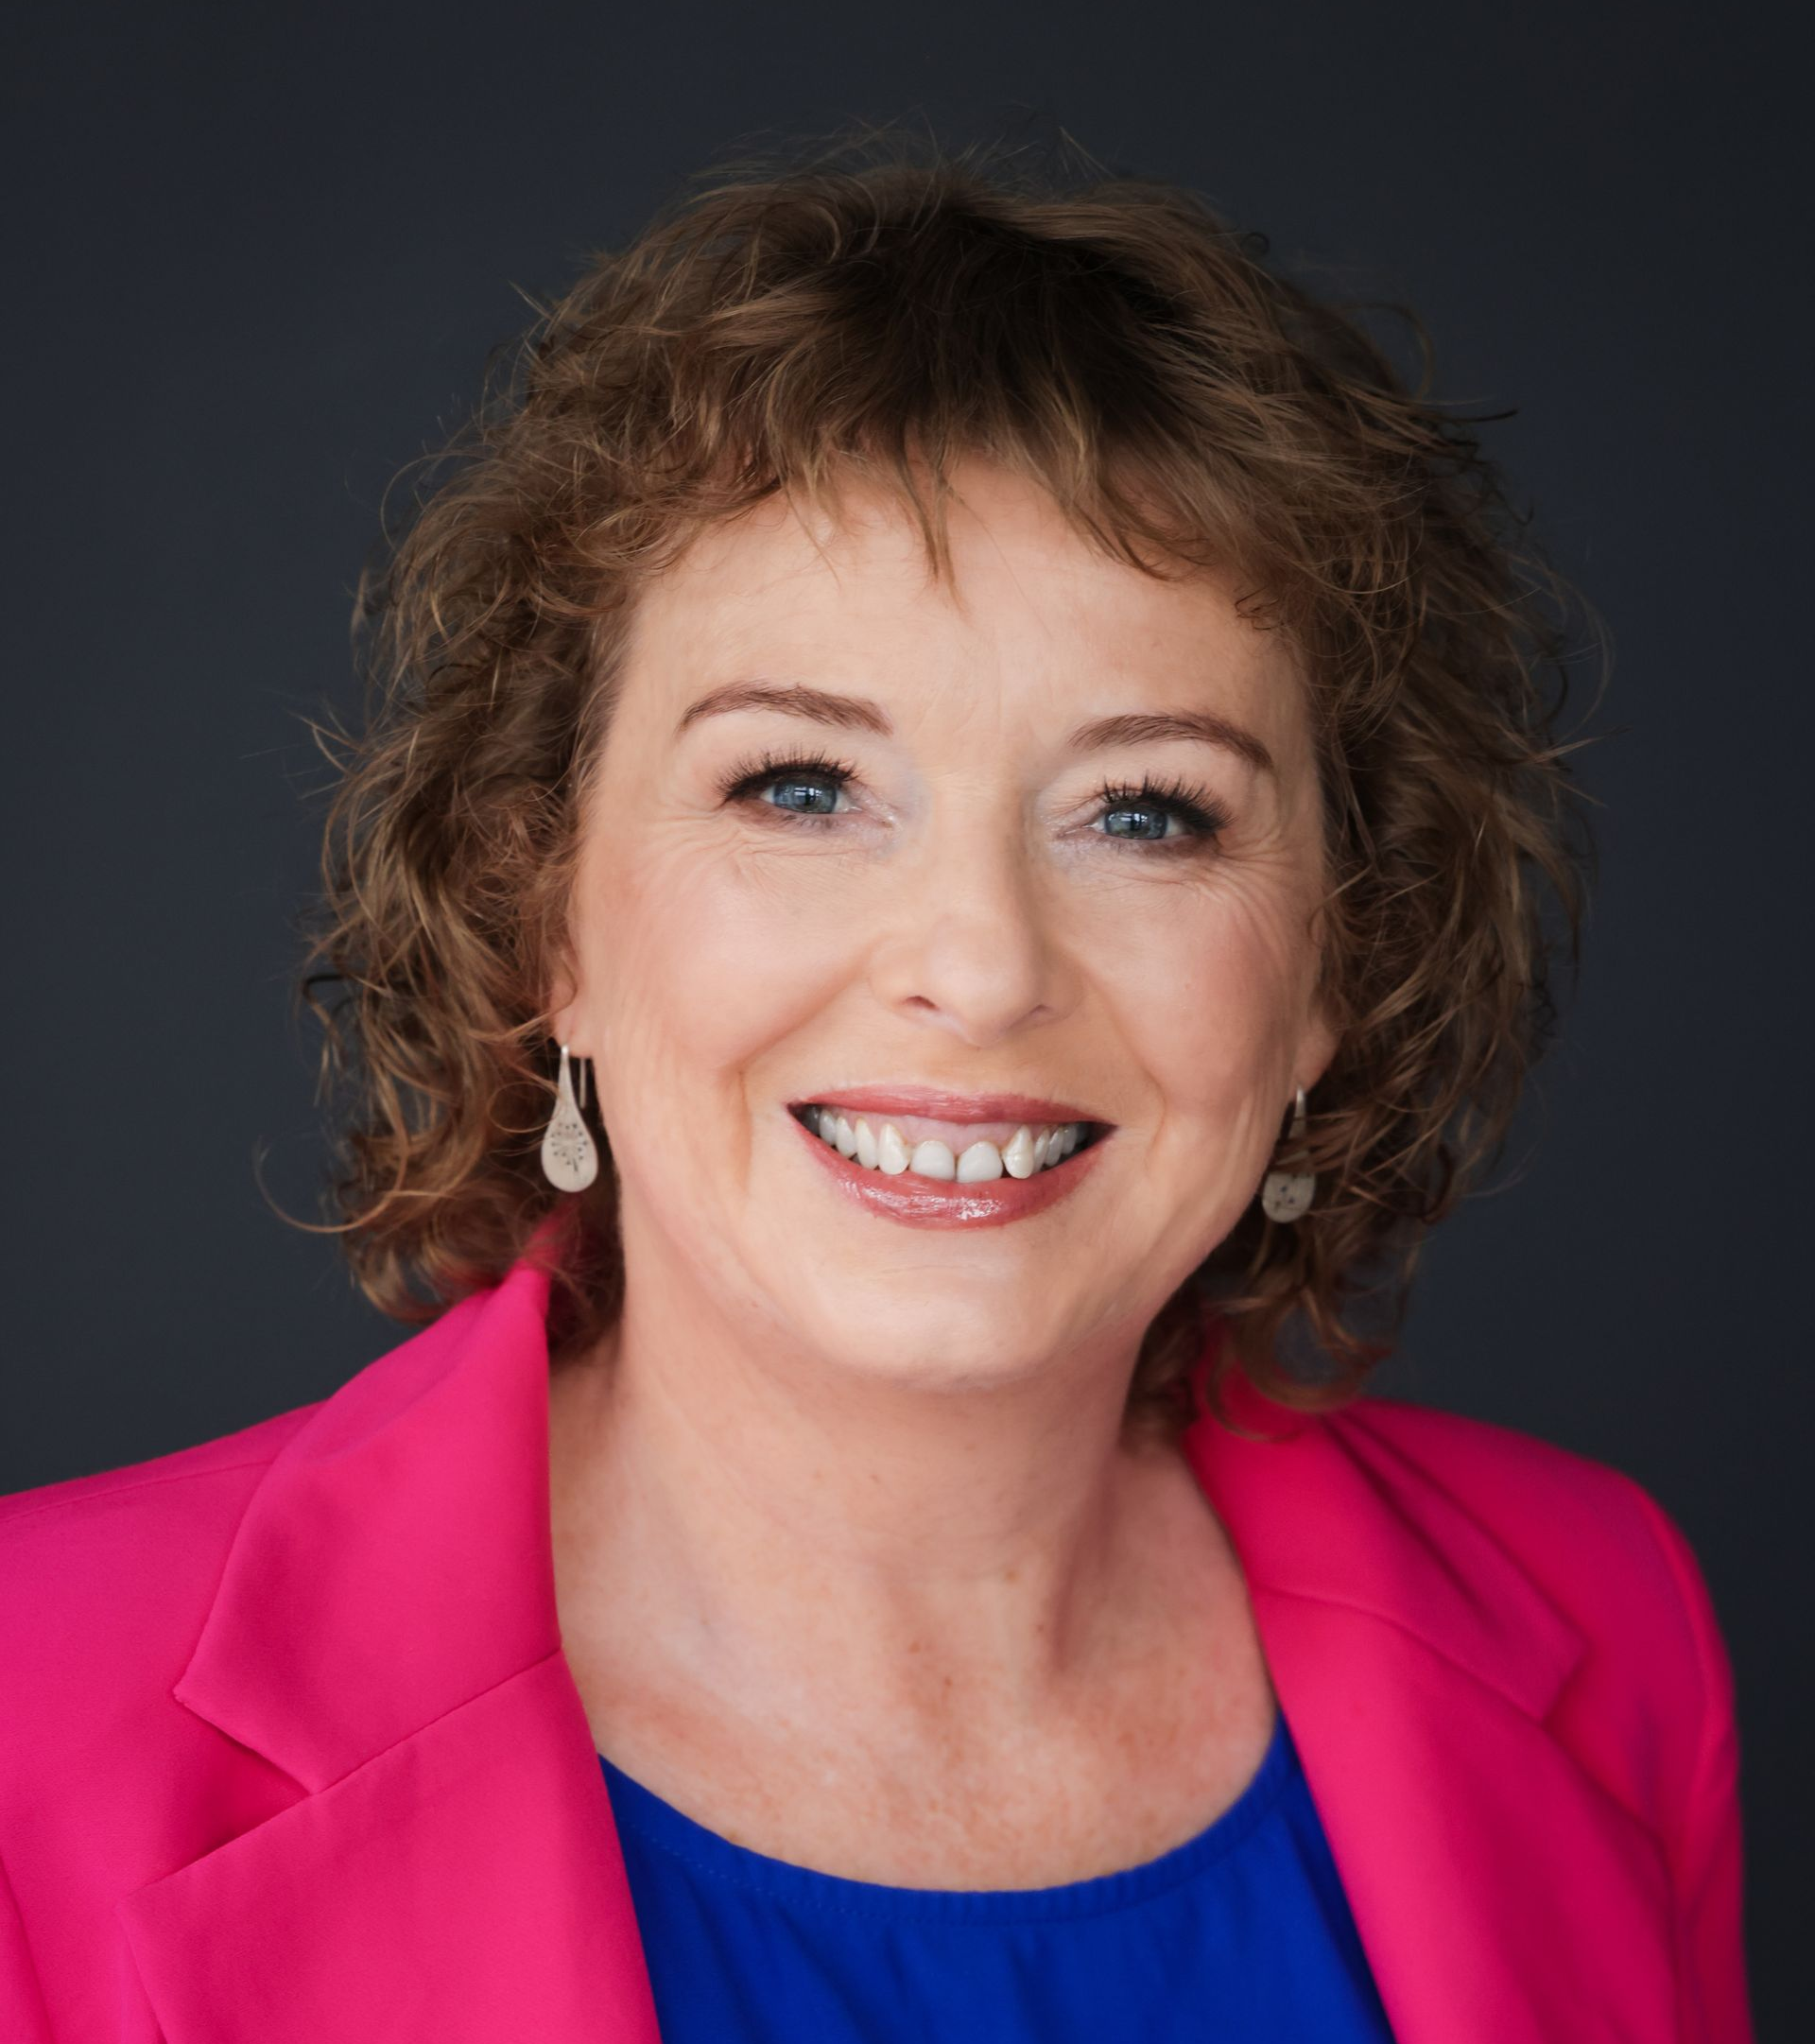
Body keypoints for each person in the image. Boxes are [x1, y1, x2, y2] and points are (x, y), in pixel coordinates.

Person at [0, 134, 1753, 2042]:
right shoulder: (34, 1709)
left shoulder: (1610, 1619)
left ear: (1338, 960)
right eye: (803, 788)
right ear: (547, 913)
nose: (983, 966)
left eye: (1148, 811)